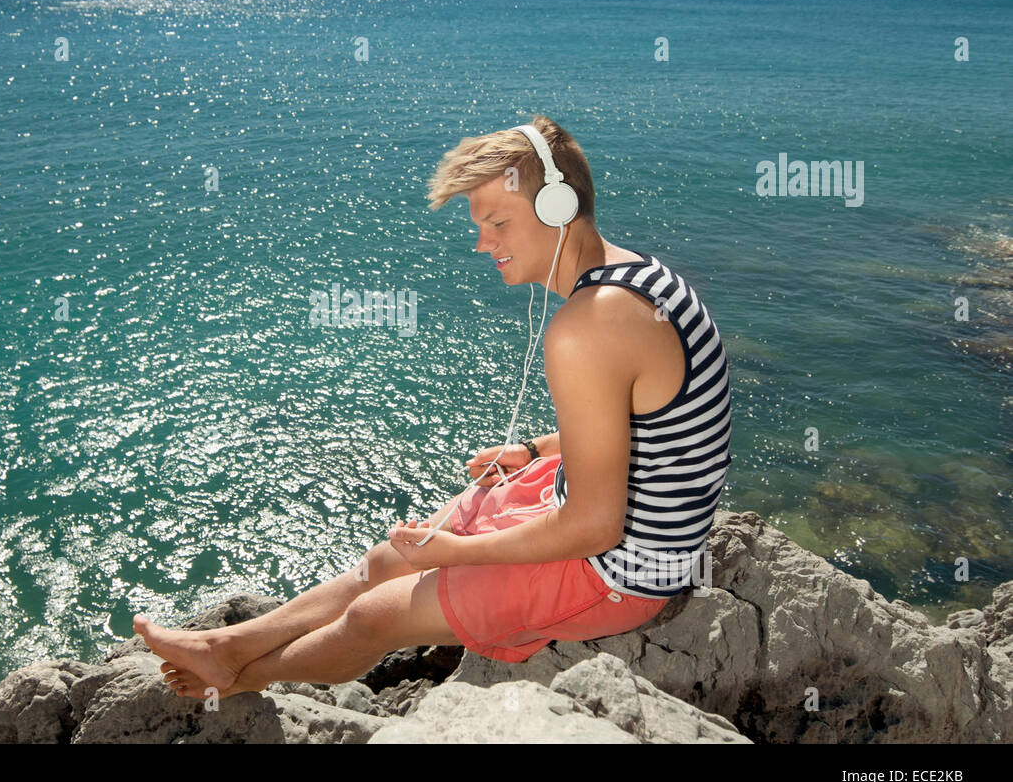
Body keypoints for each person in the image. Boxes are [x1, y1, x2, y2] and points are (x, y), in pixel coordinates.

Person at [134, 114, 733, 699]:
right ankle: (229, 645)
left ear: (558, 206)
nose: (482, 243)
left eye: (497, 222)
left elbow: (594, 527)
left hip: (617, 573)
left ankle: (244, 675)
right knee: (389, 556)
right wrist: (536, 449)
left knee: (374, 616)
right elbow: (658, 425)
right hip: (598, 504)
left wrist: (459, 555)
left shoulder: (586, 326)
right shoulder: (638, 276)